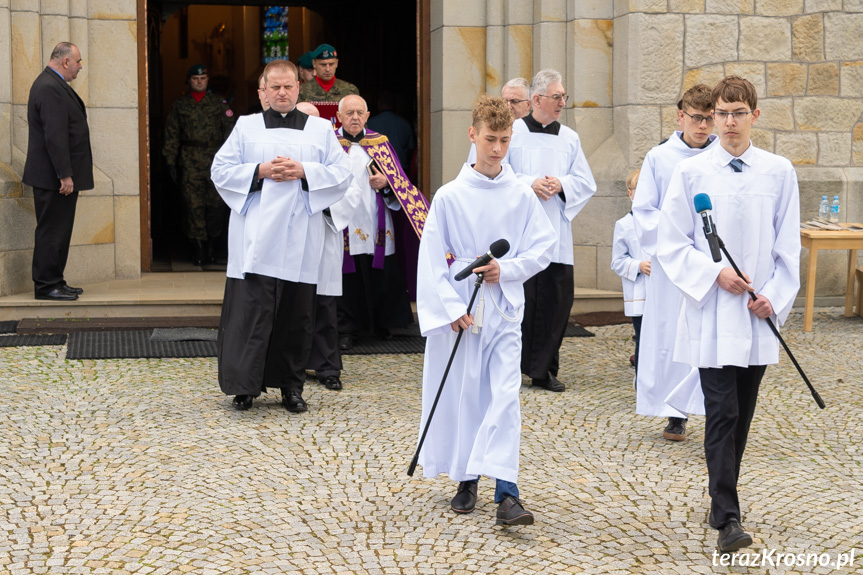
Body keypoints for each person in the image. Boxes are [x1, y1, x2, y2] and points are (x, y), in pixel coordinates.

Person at [656, 76, 800, 552]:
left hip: (756, 316)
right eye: (722, 113)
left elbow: (786, 248)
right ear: (712, 117)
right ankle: (727, 515)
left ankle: (724, 495)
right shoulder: (691, 174)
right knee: (721, 410)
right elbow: (672, 243)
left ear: (754, 116)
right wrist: (714, 274)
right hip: (712, 310)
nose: (731, 122)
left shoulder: (779, 172)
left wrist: (773, 298)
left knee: (742, 414)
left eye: (739, 113)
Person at [416, 95, 555, 526]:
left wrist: (507, 269)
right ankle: (466, 477)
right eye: (491, 139)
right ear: (472, 135)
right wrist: (450, 307)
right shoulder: (450, 196)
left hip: (505, 310)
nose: (498, 149)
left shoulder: (521, 194)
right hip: (464, 312)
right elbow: (432, 256)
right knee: (466, 396)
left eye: (506, 140)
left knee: (505, 396)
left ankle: (507, 492)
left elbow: (543, 247)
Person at [210, 59, 353, 413]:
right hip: (254, 238)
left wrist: (305, 171)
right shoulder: (246, 127)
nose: (282, 92)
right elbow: (219, 170)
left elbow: (342, 174)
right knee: (252, 315)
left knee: (296, 315)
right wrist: (259, 170)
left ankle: (291, 386)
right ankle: (245, 387)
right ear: (264, 90)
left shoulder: (320, 131)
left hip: (300, 239)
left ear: (298, 87)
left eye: (288, 86)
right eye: (274, 87)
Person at [631, 84, 719, 441]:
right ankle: (674, 411)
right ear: (680, 115)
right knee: (670, 334)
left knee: (710, 334)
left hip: (711, 260)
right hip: (671, 262)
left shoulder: (721, 157)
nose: (702, 126)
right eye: (696, 118)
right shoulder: (659, 158)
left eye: (709, 118)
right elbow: (645, 210)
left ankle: (715, 406)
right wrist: (675, 245)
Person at [506, 69, 597, 392]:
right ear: (536, 99)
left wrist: (562, 184)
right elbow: (499, 172)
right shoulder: (512, 132)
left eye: (563, 97)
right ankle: (513, 367)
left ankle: (545, 370)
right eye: (556, 97)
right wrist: (529, 182)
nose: (561, 103)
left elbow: (585, 182)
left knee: (556, 302)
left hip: (556, 233)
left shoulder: (569, 138)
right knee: (524, 301)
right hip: (521, 232)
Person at [335, 95, 423, 350]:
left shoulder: (380, 143)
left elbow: (400, 182)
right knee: (346, 278)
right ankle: (346, 329)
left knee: (381, 273)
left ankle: (382, 324)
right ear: (339, 116)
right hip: (343, 221)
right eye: (349, 113)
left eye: (359, 112)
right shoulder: (331, 144)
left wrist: (386, 184)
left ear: (367, 115)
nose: (354, 117)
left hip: (376, 220)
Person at [23, 42, 92, 302]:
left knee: (59, 230)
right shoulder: (50, 87)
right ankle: (46, 285)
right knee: (51, 230)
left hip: (57, 176)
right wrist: (64, 174)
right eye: (78, 61)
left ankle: (56, 281)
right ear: (65, 62)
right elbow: (55, 136)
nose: (80, 66)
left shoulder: (54, 84)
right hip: (53, 178)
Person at [299, 101, 351, 391]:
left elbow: (349, 190)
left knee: (324, 305)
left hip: (323, 233)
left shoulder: (336, 153)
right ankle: (290, 365)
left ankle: (326, 366)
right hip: (291, 241)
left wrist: (320, 202)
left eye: (316, 120)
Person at [164, 64, 235, 266]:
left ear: (207, 80)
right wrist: (170, 161)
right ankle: (200, 249)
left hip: (215, 160)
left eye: (203, 78)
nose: (199, 81)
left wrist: (231, 160)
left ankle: (211, 245)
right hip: (189, 161)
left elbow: (230, 134)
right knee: (192, 206)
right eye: (195, 79)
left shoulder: (218, 104)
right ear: (189, 81)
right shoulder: (180, 105)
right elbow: (171, 134)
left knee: (216, 206)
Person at [611, 169, 648, 379]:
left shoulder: (663, 220)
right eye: (639, 189)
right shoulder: (624, 224)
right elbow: (617, 261)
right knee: (643, 338)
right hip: (640, 292)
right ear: (630, 193)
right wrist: (638, 266)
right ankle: (642, 383)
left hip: (662, 292)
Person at [466, 78, 531, 165]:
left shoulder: (533, 135)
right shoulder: (486, 129)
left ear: (528, 105)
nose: (508, 106)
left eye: (514, 101)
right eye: (504, 101)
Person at [367, 90, 415, 173]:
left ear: (379, 104)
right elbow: (411, 148)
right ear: (393, 105)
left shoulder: (370, 123)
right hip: (400, 172)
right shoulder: (405, 124)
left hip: (377, 172)